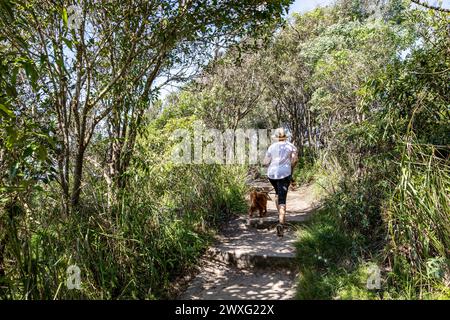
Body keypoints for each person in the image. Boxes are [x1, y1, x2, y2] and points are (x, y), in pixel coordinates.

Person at [264, 127, 298, 237]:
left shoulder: (271, 147)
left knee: (278, 194)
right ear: (285, 137)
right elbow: (294, 160)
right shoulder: (291, 146)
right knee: (282, 199)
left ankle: (280, 216)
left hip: (272, 175)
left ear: (277, 137)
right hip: (285, 174)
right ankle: (281, 224)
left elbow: (265, 162)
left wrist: (272, 164)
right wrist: (290, 168)